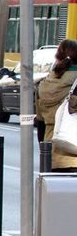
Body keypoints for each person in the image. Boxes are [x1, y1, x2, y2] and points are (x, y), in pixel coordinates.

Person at [36, 39, 77, 172]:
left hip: (51, 153)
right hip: (73, 154)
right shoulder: (75, 82)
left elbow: (40, 122)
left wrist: (46, 151)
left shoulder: (44, 84)